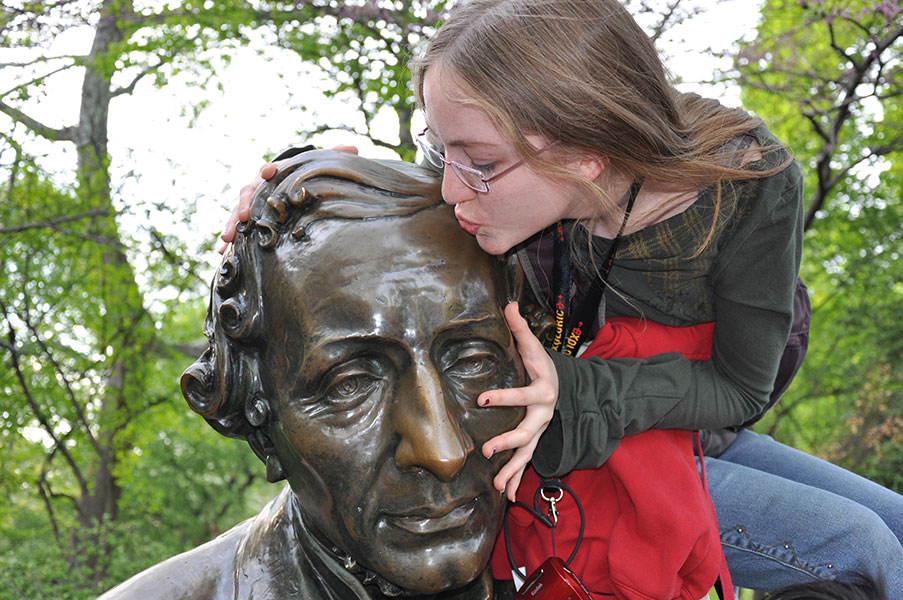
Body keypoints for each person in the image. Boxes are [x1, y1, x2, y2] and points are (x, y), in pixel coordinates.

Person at [221, 0, 903, 595]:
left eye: (479, 164)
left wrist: (572, 386)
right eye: (440, 148)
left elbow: (738, 387)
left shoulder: (746, 185)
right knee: (859, 549)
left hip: (674, 421)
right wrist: (303, 178)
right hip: (553, 450)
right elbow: (391, 205)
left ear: (587, 154)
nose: (450, 188)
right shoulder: (485, 180)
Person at [100, 151, 534, 599]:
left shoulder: (597, 539)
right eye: (352, 385)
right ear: (262, 428)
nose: (443, 453)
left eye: (472, 363)